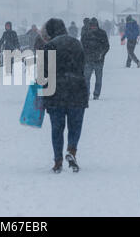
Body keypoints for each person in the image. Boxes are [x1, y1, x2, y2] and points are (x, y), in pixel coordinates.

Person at [43, 18, 89, 174]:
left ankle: (57, 161)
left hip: (56, 92)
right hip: (77, 90)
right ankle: (71, 150)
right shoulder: (77, 43)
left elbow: (44, 73)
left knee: (57, 128)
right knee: (75, 125)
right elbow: (83, 66)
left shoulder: (49, 46)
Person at [81, 18, 110, 100]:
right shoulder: (85, 34)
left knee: (98, 79)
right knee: (86, 79)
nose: (93, 27)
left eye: (95, 26)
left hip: (99, 60)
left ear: (97, 25)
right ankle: (86, 94)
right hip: (88, 60)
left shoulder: (102, 33)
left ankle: (96, 94)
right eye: (92, 26)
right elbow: (81, 46)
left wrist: (102, 54)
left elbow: (107, 46)